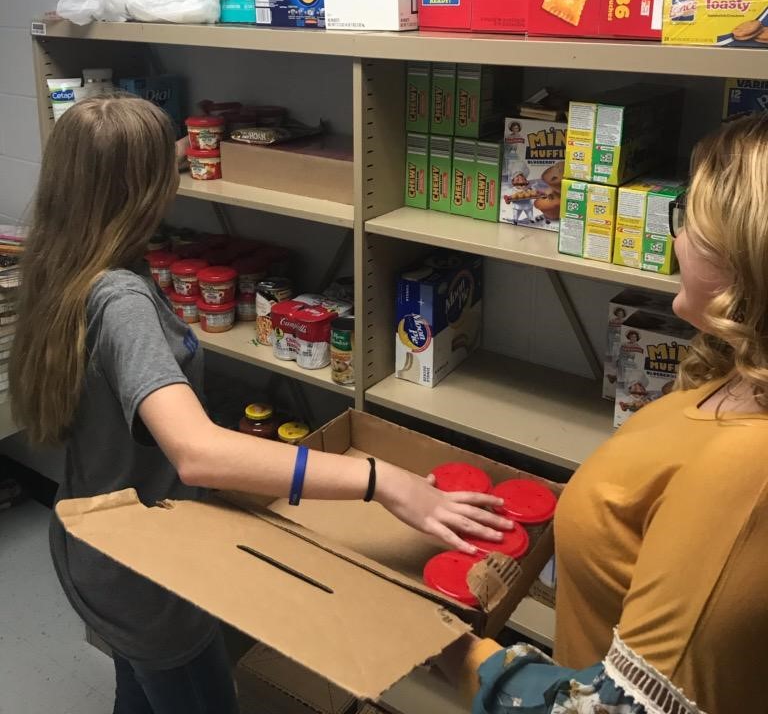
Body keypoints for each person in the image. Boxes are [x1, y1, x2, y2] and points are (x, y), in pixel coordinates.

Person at [9, 96, 510, 714]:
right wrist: (383, 481)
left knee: (137, 694)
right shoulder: (121, 302)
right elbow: (196, 454)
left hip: (92, 543)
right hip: (149, 574)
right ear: (142, 189)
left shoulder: (57, 266)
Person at [441, 113, 768, 714]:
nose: (672, 240)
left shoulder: (749, 472)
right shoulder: (733, 382)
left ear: (743, 261)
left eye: (686, 223)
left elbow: (612, 710)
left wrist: (442, 645)